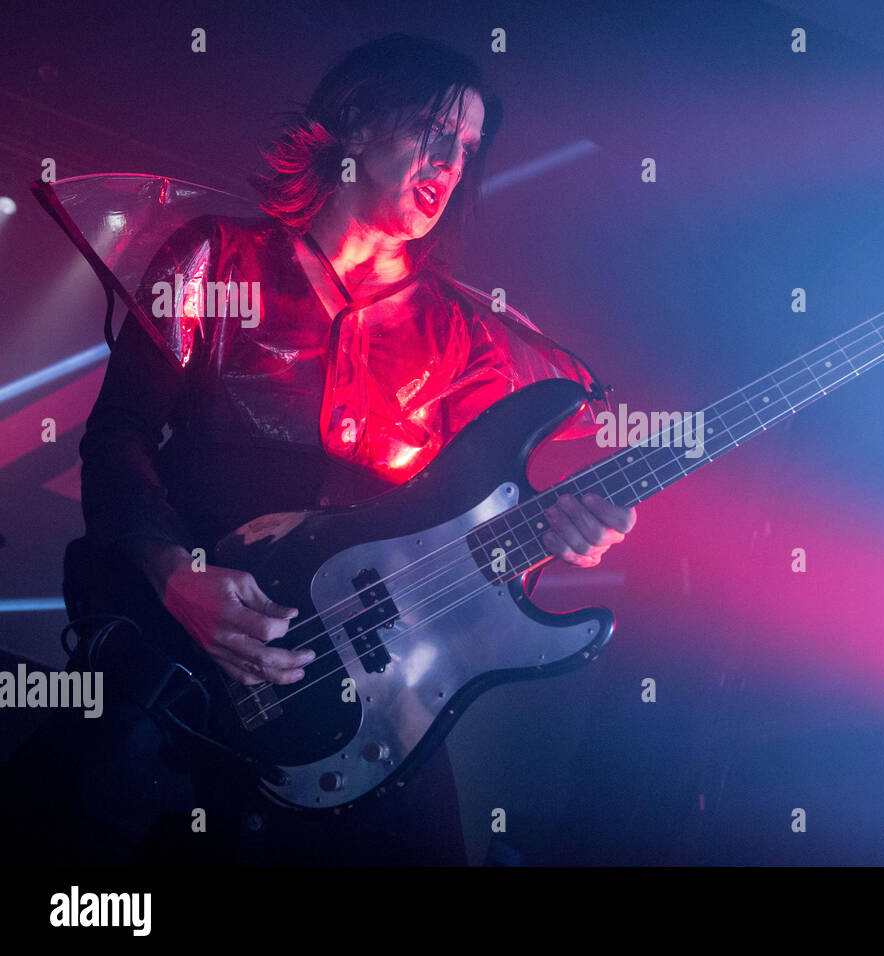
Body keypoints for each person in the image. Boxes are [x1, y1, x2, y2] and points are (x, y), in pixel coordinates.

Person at [1, 34, 635, 866]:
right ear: (358, 123)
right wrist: (174, 574)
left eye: (469, 147)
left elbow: (469, 534)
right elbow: (118, 434)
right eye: (433, 132)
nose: (452, 160)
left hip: (367, 691)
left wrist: (547, 546)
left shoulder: (471, 341)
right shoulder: (216, 257)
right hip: (180, 646)